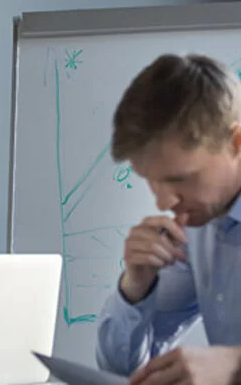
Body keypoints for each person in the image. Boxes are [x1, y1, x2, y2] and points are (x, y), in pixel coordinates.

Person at [95, 54, 241, 385]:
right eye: (151, 180)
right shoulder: (196, 229)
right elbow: (124, 371)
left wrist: (235, 367)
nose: (163, 202)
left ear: (236, 143)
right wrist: (136, 287)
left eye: (179, 179)